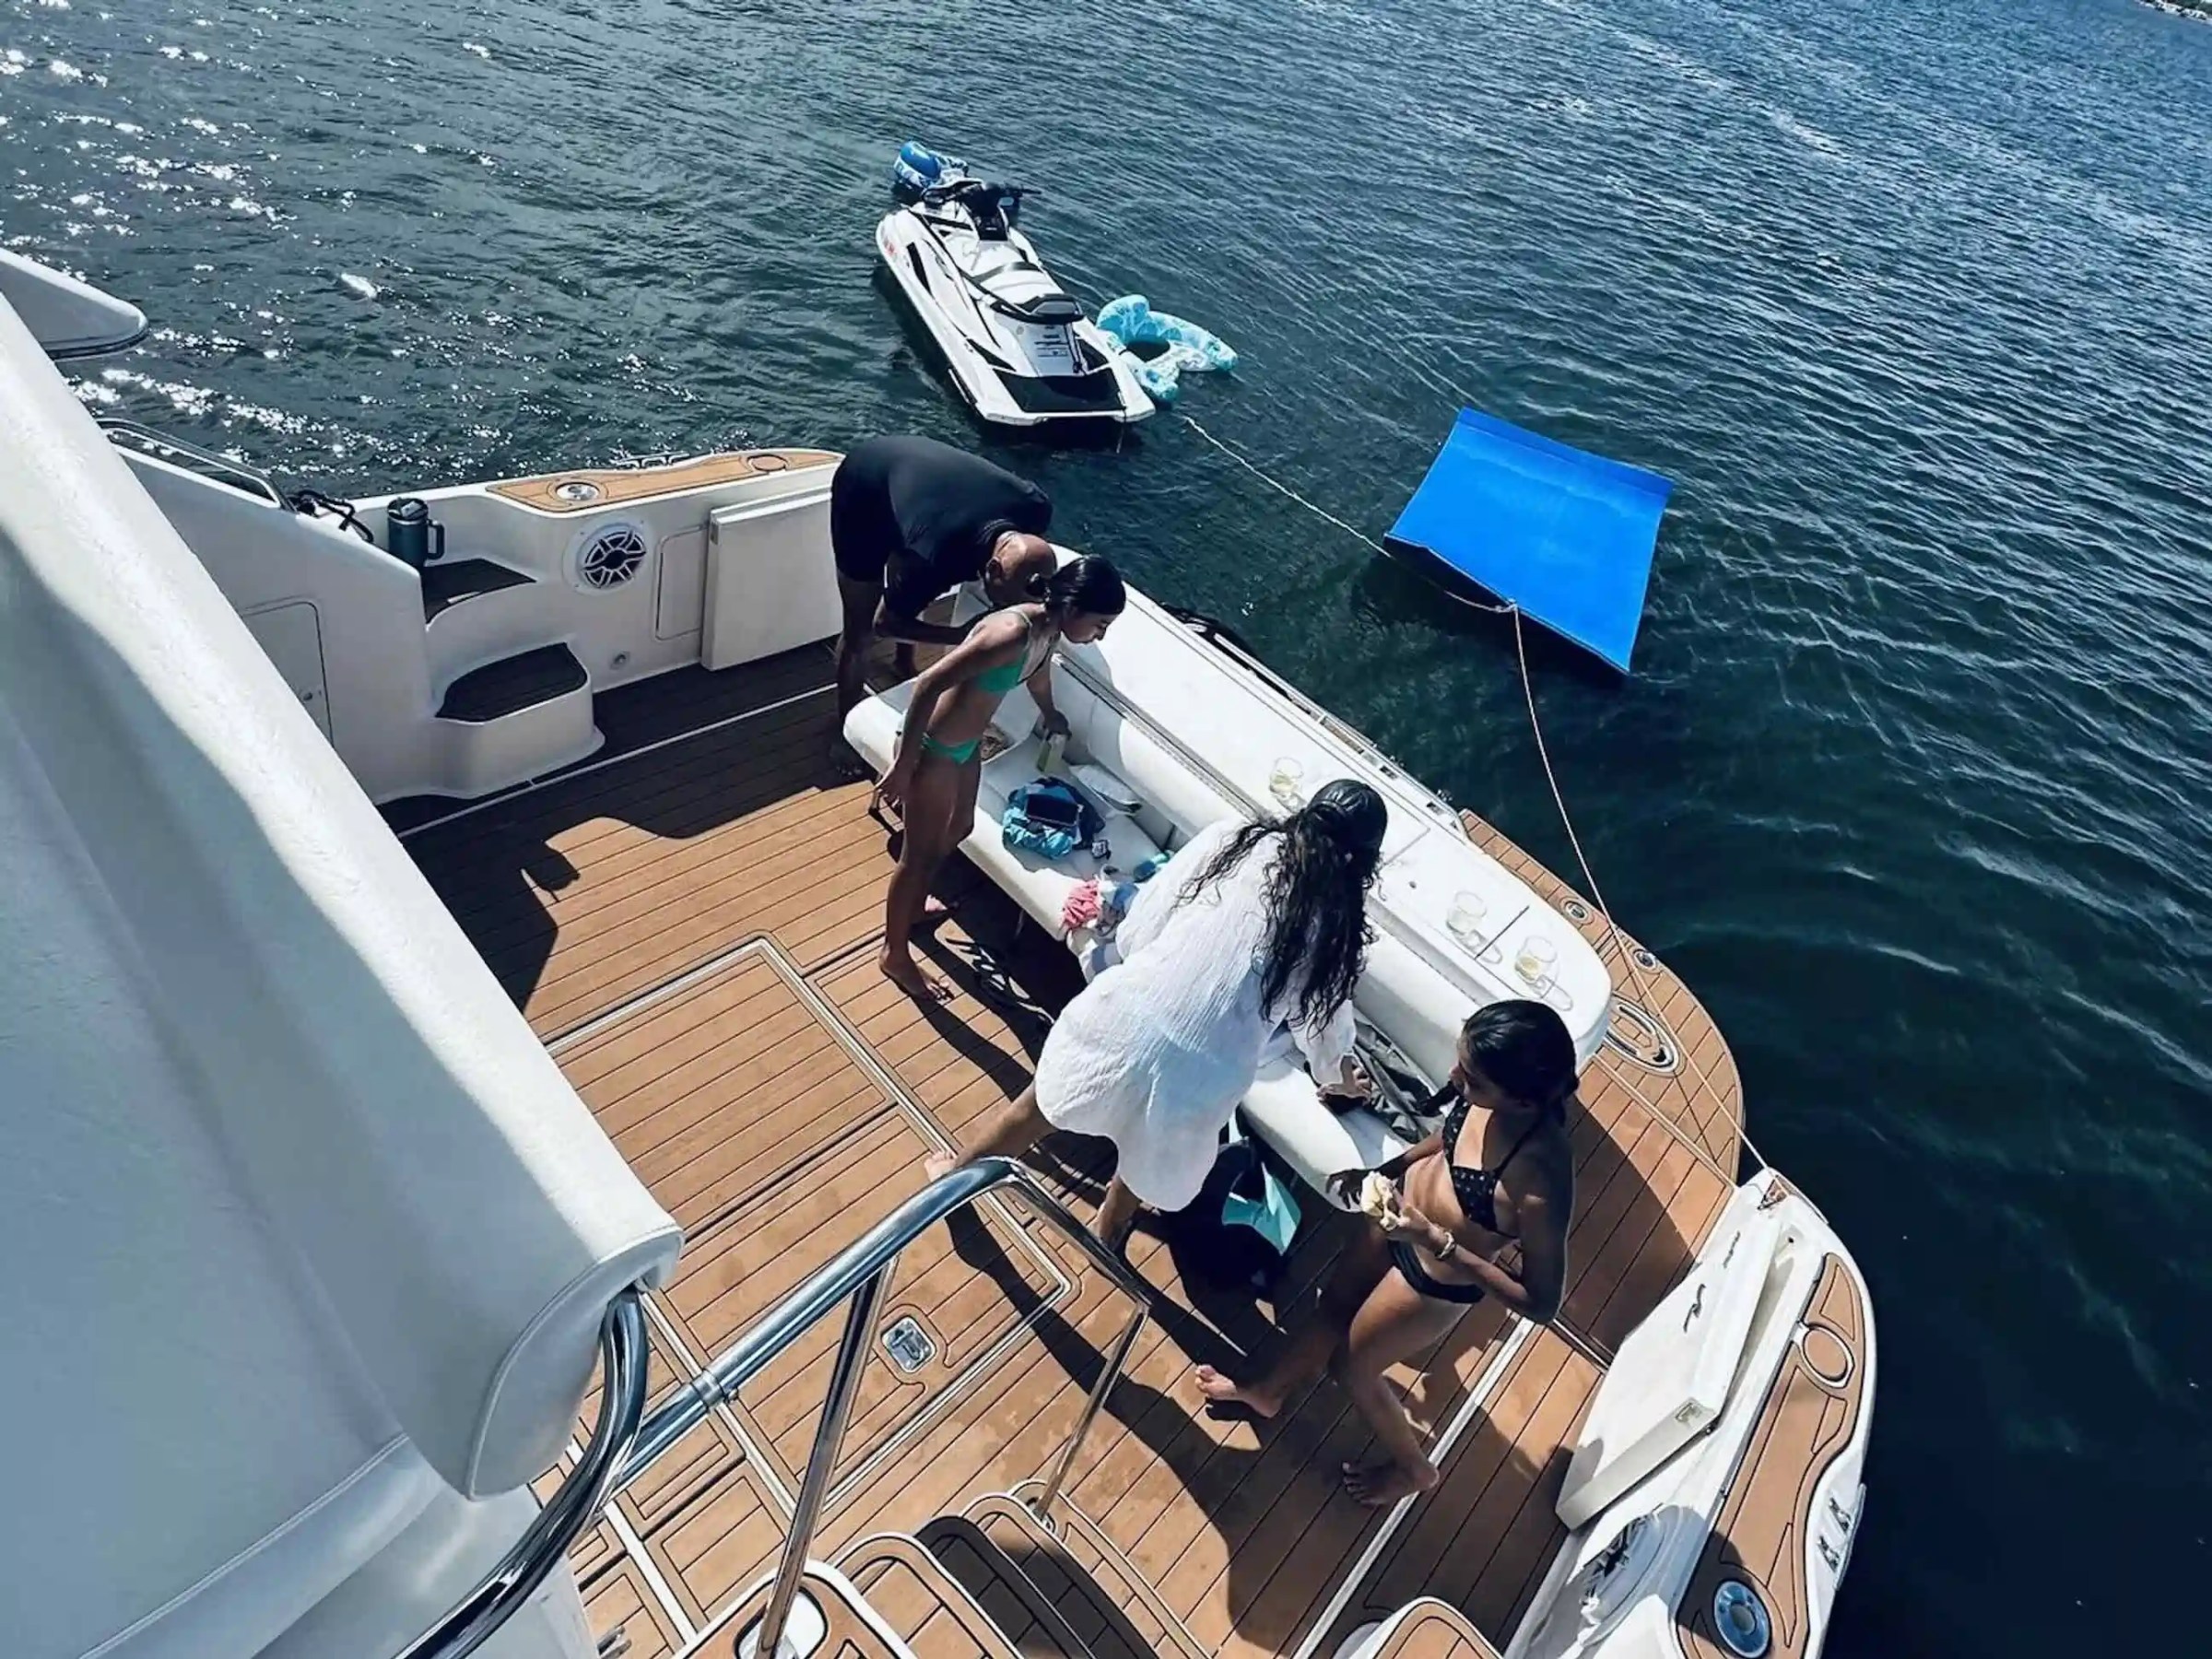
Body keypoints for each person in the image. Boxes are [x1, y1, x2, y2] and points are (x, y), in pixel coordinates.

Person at [925, 780, 1390, 1247]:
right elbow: (1325, 1040)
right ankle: (1107, 1235)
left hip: (1128, 1013)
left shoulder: (1234, 837)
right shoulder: (1338, 930)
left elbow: (1136, 932)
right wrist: (1343, 1081)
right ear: (1364, 861)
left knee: (1040, 1107)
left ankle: (955, 1179)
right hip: (1207, 1075)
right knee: (1148, 1152)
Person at [1195, 999, 1578, 1507]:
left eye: (1472, 1082)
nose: (1454, 1078)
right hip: (1398, 1218)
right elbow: (1448, 1136)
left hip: (1432, 1278)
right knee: (1332, 1307)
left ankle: (1416, 1469)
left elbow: (1540, 1301)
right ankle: (1268, 1393)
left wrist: (1433, 1240)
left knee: (1352, 1370)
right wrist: (1388, 1171)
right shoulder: (1479, 1097)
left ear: (1523, 1102)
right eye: (1460, 1065)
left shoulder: (1541, 1178)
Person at [876, 556, 1126, 999]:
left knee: (961, 827)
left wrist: (1052, 716)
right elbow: (927, 684)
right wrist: (903, 764)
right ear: (1072, 607)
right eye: (1101, 623)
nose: (1101, 635)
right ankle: (894, 953)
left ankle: (913, 905)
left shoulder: (1048, 633)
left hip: (965, 746)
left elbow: (1038, 680)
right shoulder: (1009, 634)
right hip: (930, 752)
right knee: (917, 857)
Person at [830, 434, 1058, 724]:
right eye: (1003, 603)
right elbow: (884, 625)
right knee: (860, 630)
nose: (1003, 612)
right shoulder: (938, 557)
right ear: (992, 570)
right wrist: (959, 636)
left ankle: (903, 663)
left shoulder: (1036, 507)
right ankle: (843, 726)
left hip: (922, 485)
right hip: (865, 484)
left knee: (910, 589)